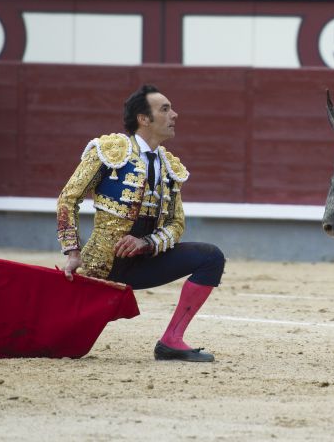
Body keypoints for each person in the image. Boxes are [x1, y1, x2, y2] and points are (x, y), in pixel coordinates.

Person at [57, 84, 226, 362]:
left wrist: (146, 243)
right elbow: (68, 199)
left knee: (211, 258)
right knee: (61, 341)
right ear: (143, 119)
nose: (175, 115)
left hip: (144, 262)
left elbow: (176, 224)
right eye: (165, 109)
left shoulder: (170, 166)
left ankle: (171, 341)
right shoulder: (109, 151)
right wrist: (73, 252)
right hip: (102, 267)